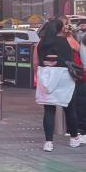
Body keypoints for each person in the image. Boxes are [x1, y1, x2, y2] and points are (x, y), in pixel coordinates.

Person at [35, 19, 83, 151]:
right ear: (61, 28)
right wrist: (69, 35)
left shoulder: (41, 42)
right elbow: (80, 49)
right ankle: (74, 139)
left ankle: (48, 143)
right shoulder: (67, 40)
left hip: (46, 76)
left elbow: (35, 61)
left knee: (49, 110)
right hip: (64, 76)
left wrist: (37, 75)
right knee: (70, 108)